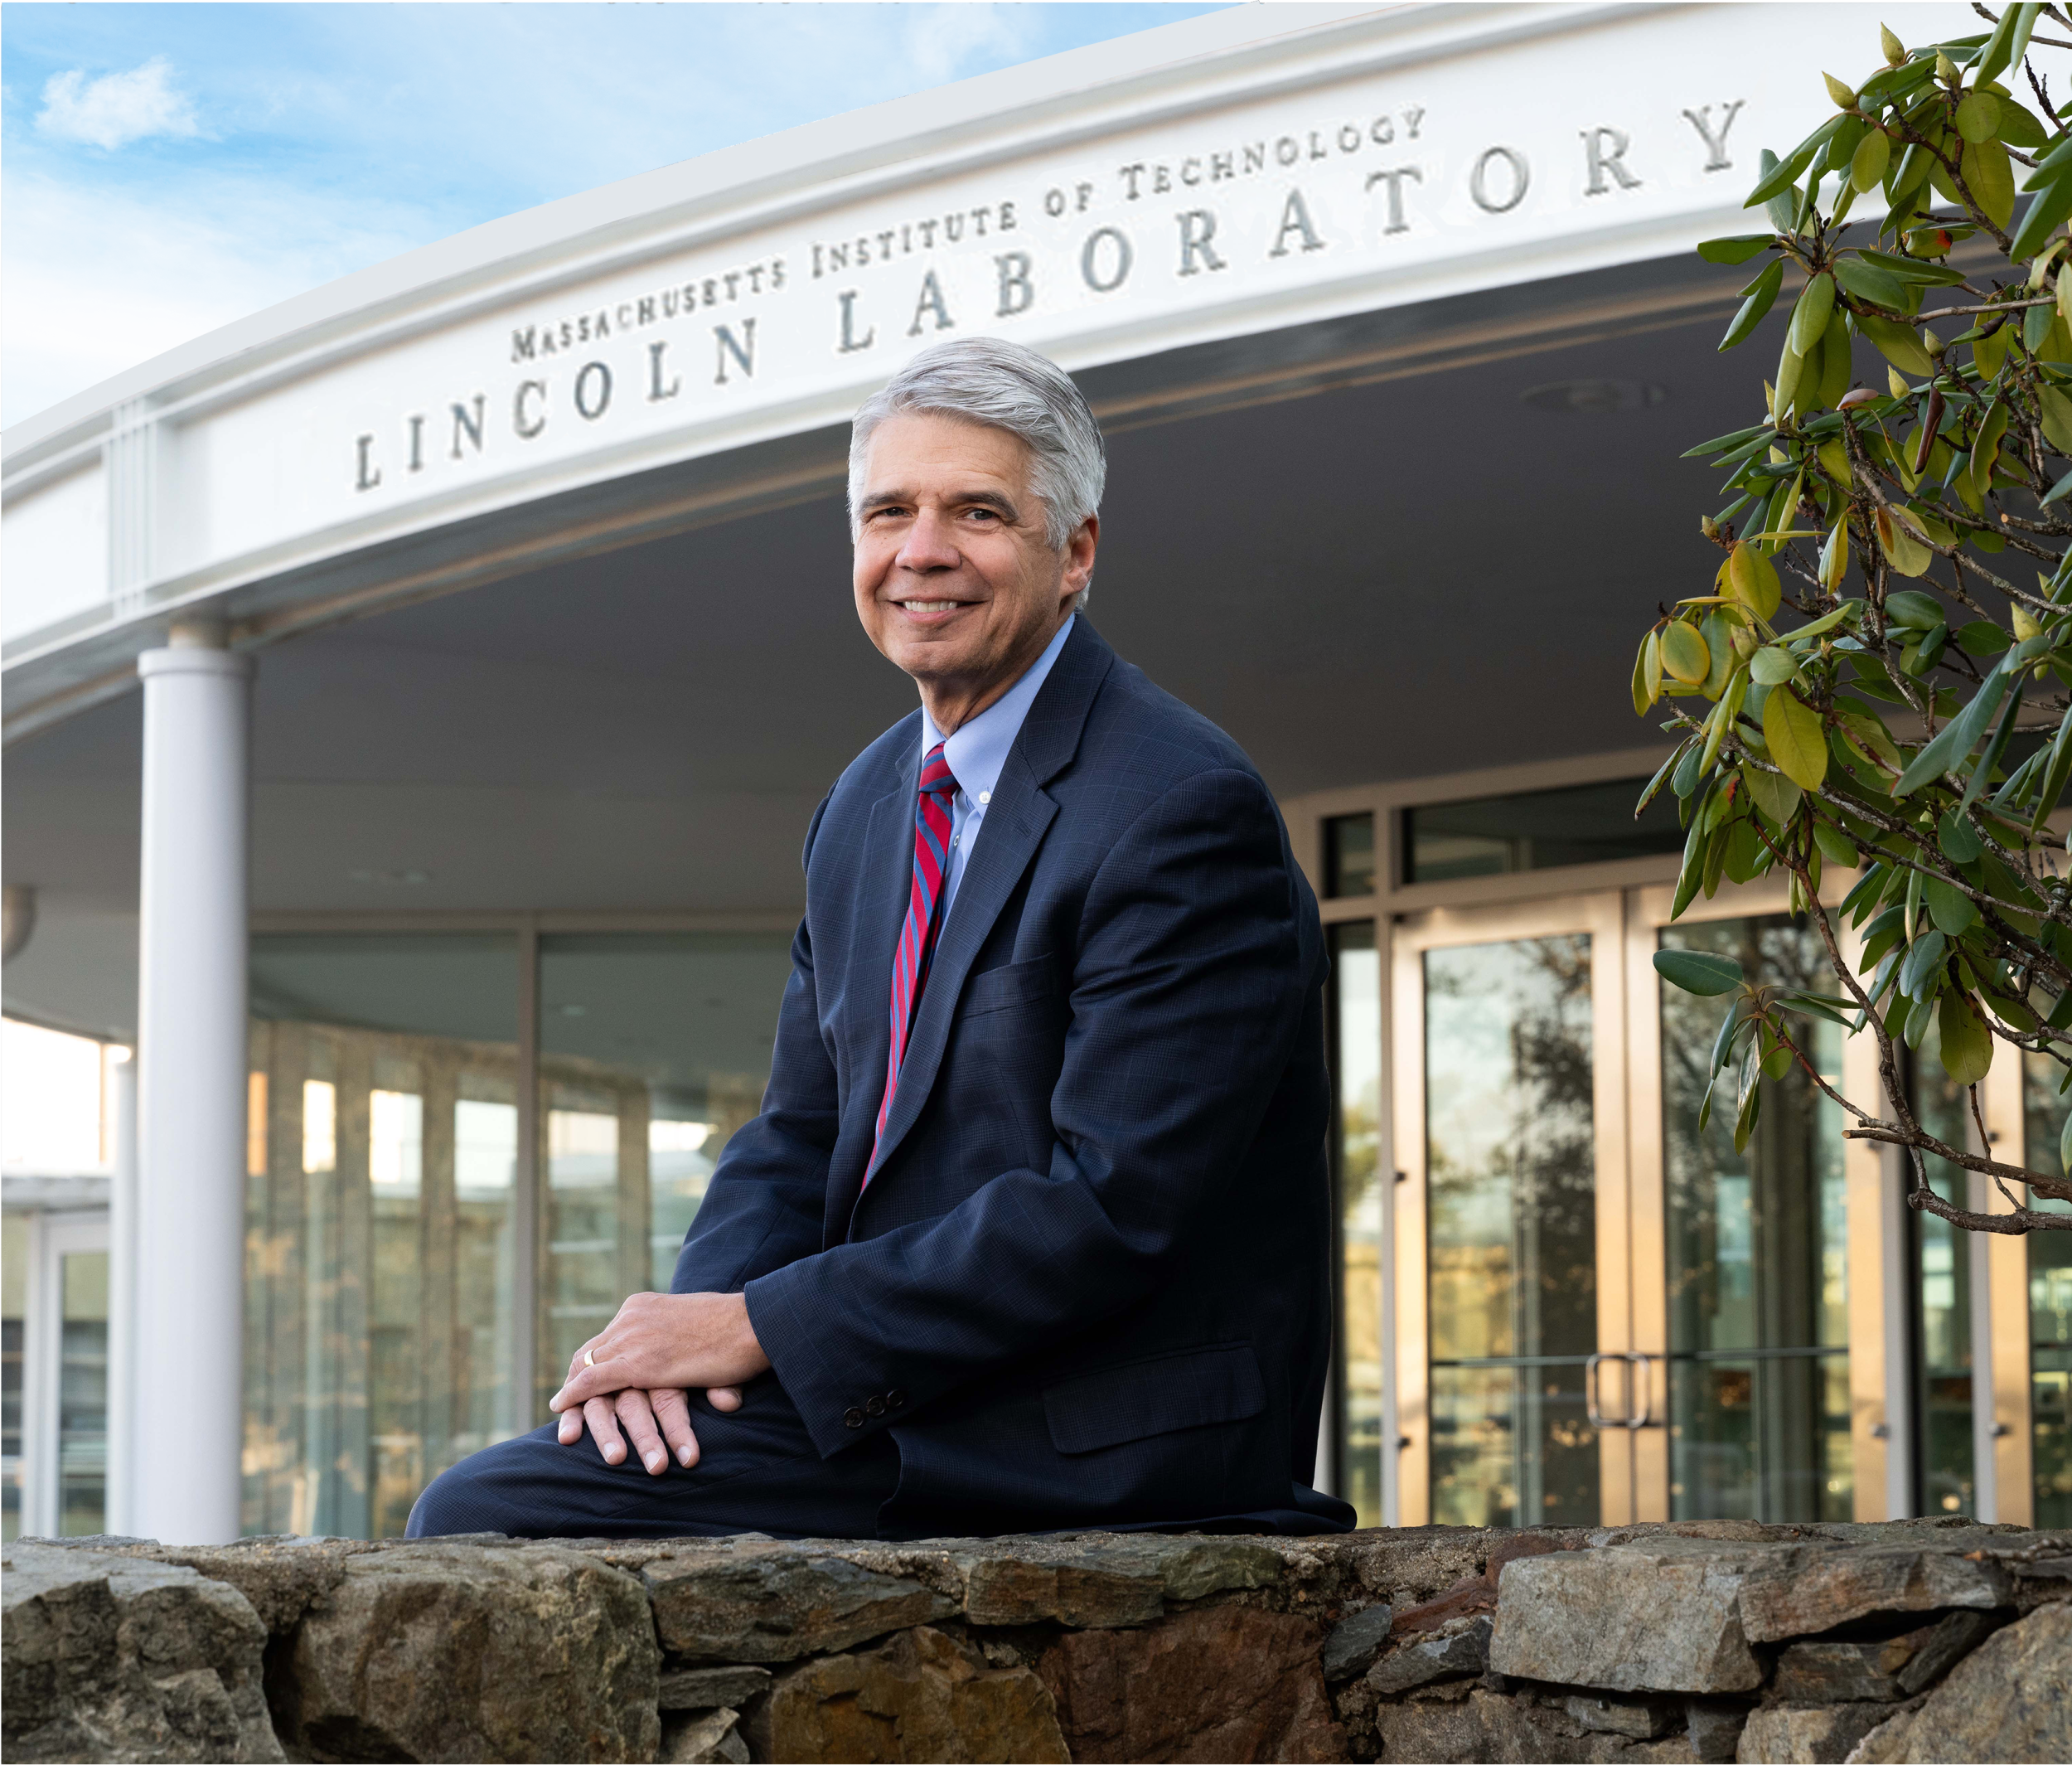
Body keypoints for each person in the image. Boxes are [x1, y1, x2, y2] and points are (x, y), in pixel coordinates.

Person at [409, 336, 1350, 1541]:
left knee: (493, 1511)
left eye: (977, 512)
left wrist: (757, 1329)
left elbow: (1114, 1208)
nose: (922, 552)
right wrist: (683, 1336)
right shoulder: (865, 804)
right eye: (888, 511)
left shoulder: (1178, 806)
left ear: (1076, 552)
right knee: (554, 1471)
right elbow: (799, 1133)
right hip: (907, 1388)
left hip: (1097, 1429)